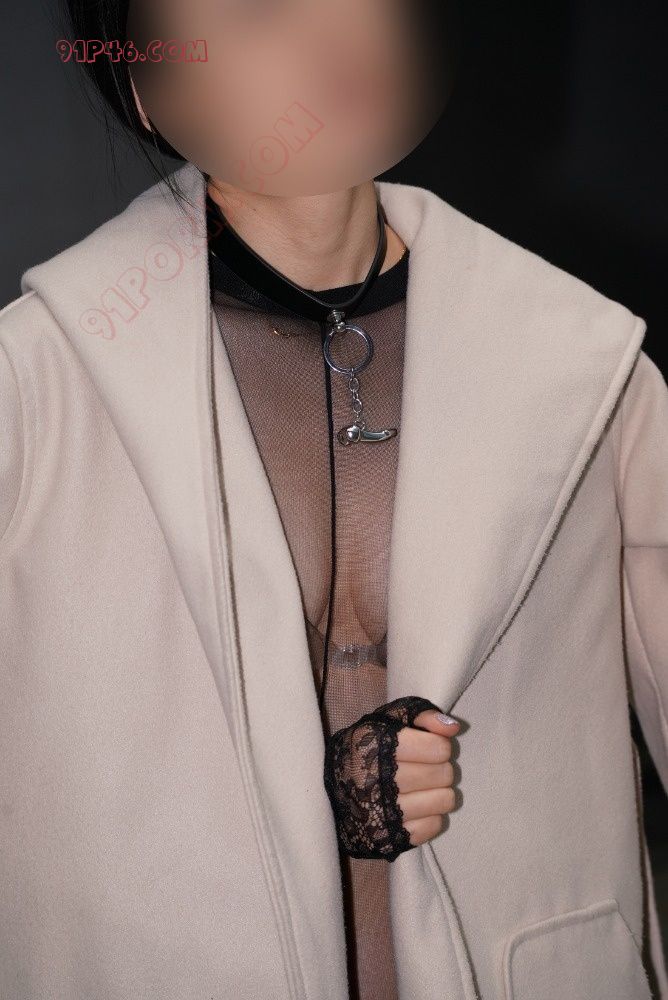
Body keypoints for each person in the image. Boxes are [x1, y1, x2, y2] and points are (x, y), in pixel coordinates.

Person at [1, 1, 666, 998]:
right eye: (257, 10)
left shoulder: (583, 365)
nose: (334, 29)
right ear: (144, 84)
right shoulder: (34, 389)